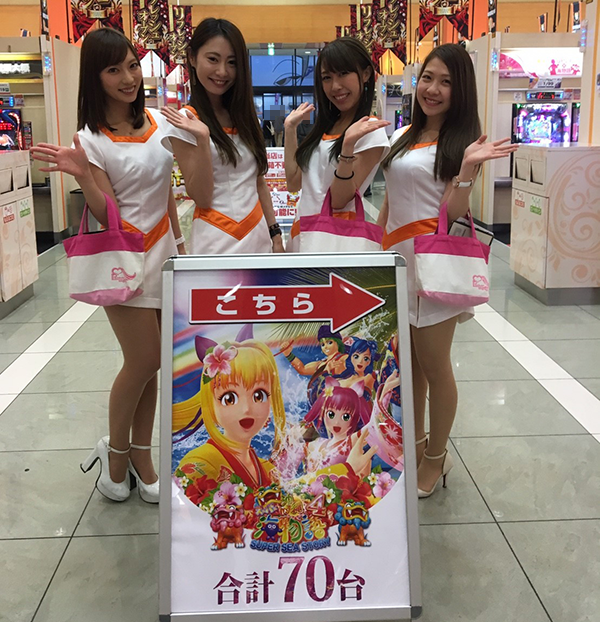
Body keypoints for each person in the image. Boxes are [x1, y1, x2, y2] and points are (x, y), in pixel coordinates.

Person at [31, 28, 189, 504]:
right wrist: (83, 173)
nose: (128, 78)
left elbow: (165, 189)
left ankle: (141, 456)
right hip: (124, 260)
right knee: (144, 359)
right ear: (95, 78)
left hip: (165, 254)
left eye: (133, 66)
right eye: (114, 69)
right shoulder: (90, 139)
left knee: (153, 366)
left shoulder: (158, 123)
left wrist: (180, 244)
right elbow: (106, 211)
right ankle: (115, 454)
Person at [379, 44, 517, 498]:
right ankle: (417, 445)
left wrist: (467, 170)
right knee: (411, 368)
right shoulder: (405, 135)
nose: (433, 89)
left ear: (461, 92)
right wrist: (378, 247)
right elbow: (391, 200)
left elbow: (453, 212)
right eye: (428, 78)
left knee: (436, 368)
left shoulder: (461, 144)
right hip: (399, 262)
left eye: (446, 82)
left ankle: (436, 458)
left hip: (433, 266)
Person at [161, 18, 284, 254]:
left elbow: (258, 181)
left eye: (232, 62)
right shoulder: (186, 121)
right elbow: (202, 197)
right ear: (192, 58)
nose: (222, 72)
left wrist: (275, 233)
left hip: (257, 235)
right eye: (213, 59)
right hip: (215, 240)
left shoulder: (245, 117)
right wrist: (203, 139)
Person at [283, 37, 390, 252]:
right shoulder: (325, 128)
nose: (335, 86)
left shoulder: (370, 131)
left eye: (343, 73)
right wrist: (290, 130)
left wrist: (347, 147)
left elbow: (339, 200)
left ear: (365, 74)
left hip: (335, 241)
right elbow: (294, 183)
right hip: (304, 236)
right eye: (327, 77)